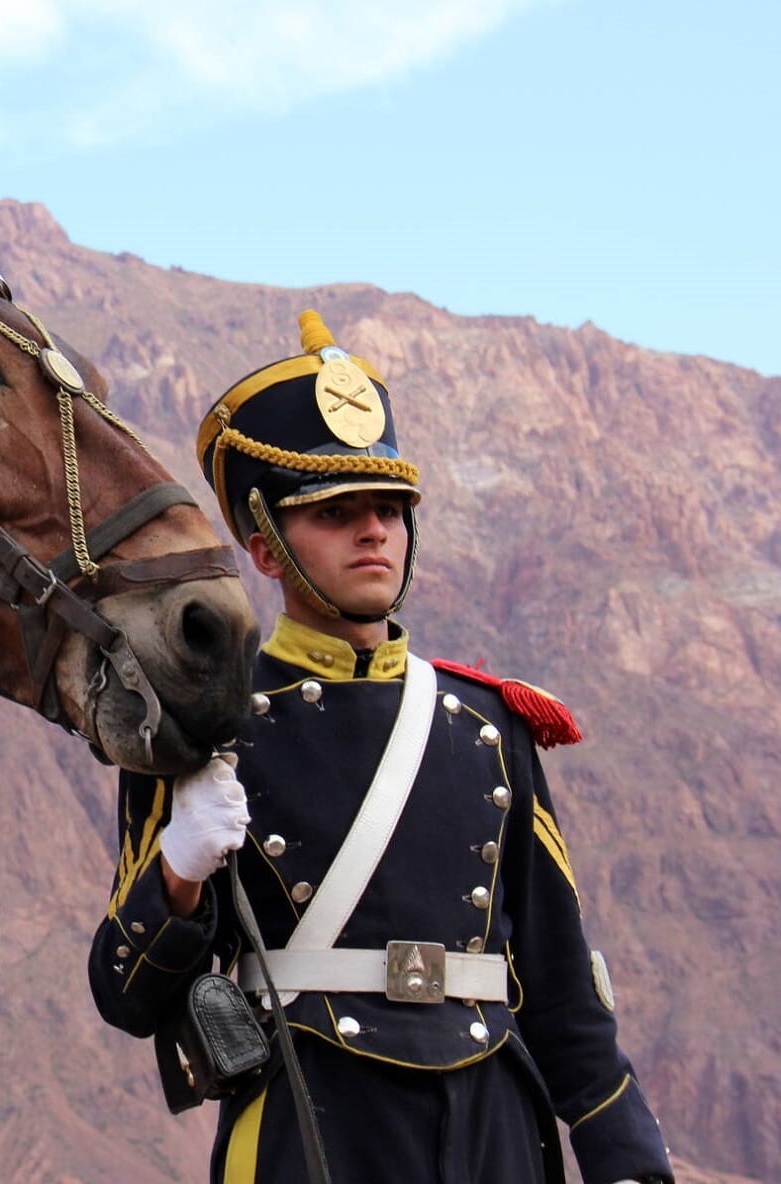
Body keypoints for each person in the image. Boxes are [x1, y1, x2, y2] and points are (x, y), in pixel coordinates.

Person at [87, 311, 674, 1184]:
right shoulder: (205, 728)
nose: (375, 532)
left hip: (496, 1130)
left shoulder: (488, 725)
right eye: (336, 512)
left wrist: (629, 1160)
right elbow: (124, 994)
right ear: (266, 547)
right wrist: (176, 869)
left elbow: (561, 990)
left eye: (391, 509)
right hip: (310, 1122)